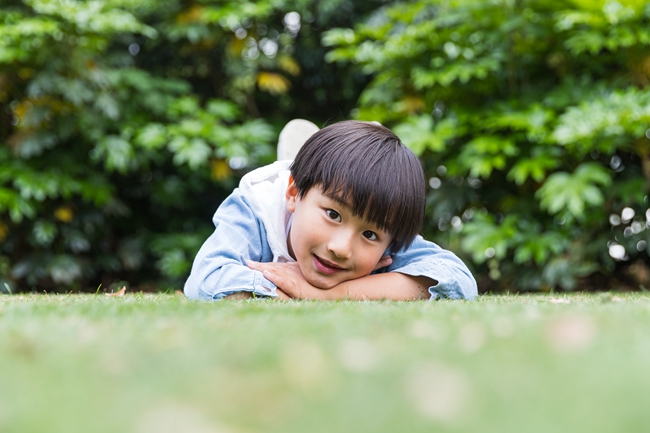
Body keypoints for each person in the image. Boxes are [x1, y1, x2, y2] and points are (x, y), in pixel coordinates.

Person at [184, 120, 477, 301]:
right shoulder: (255, 206)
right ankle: (294, 161)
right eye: (333, 215)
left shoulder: (385, 217)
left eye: (370, 234)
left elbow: (459, 282)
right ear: (294, 193)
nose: (341, 248)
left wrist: (322, 294)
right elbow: (206, 280)